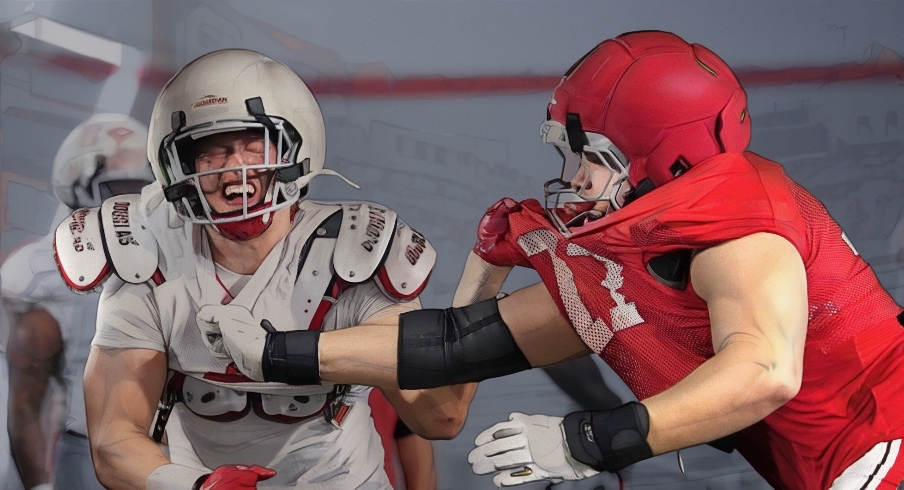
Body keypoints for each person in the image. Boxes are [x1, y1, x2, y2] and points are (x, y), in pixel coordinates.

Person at [211, 31, 904, 490]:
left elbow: (763, 373)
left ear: (664, 158)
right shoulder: (637, 247)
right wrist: (282, 352)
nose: (572, 178)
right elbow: (456, 346)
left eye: (591, 158)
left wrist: (588, 441)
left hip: (883, 441)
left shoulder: (742, 230)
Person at [52, 49, 473, 489]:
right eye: (211, 149)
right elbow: (113, 439)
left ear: (295, 145)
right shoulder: (147, 256)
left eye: (254, 142)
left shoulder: (355, 254)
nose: (236, 169)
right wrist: (195, 486)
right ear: (178, 165)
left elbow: (440, 415)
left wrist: (482, 279)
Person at [2, 113, 154, 490]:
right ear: (80, 186)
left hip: (163, 450)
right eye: (120, 186)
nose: (131, 203)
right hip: (91, 454)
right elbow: (26, 402)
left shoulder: (169, 256)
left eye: (143, 188)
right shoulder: (43, 272)